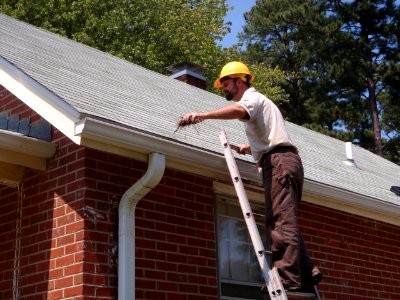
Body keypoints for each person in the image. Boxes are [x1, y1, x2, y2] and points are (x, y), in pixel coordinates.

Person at [181, 61, 322, 292]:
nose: (223, 89)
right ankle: (307, 269)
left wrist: (203, 115)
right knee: (286, 218)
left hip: (278, 162)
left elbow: (240, 111)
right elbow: (269, 134)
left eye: (226, 84)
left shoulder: (252, 99)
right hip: (282, 160)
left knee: (280, 220)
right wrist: (251, 147)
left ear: (240, 81)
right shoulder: (262, 103)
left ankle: (287, 279)